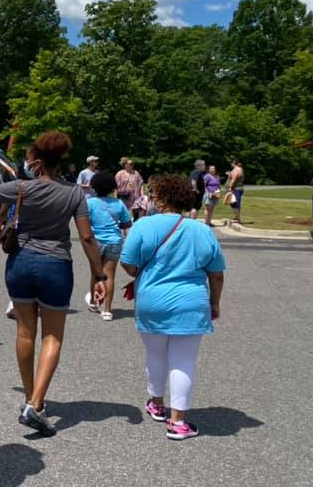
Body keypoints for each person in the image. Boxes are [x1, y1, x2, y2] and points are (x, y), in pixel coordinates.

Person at [0, 131, 106, 437]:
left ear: (37, 163)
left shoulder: (21, 187)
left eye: (27, 160)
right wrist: (99, 275)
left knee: (25, 332)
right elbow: (87, 237)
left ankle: (30, 398)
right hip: (56, 265)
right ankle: (36, 403)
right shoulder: (75, 194)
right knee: (52, 336)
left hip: (22, 262)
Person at [120, 174, 226, 440]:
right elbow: (216, 274)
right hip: (191, 301)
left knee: (155, 355)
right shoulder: (201, 230)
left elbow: (128, 262)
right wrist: (215, 302)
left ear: (159, 198)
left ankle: (156, 403)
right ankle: (178, 421)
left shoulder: (143, 226)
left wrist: (141, 273)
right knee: (183, 360)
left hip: (152, 300)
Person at [85, 171, 132, 321]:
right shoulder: (119, 203)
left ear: (94, 187)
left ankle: (94, 301)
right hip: (114, 241)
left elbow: (85, 222)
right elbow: (127, 223)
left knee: (95, 273)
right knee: (109, 275)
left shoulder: (90, 203)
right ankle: (107, 310)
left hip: (95, 241)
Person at [225, 159, 245, 224]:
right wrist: (229, 175)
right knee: (236, 203)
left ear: (233, 163)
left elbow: (234, 179)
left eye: (231, 163)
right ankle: (237, 218)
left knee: (234, 203)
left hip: (236, 189)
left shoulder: (236, 170)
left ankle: (237, 218)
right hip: (239, 188)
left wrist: (230, 188)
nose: (231, 164)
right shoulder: (240, 169)